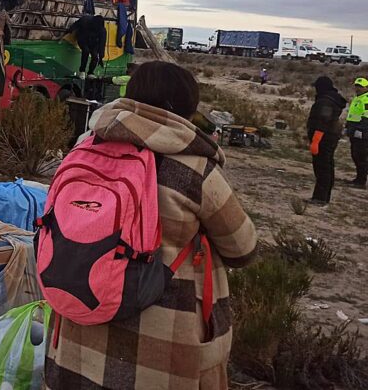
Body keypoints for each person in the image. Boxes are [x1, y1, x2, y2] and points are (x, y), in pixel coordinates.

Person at [45, 61, 257, 389]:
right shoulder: (194, 169)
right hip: (158, 355)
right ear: (187, 107)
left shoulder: (85, 149)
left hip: (78, 336)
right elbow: (242, 249)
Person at [307, 76, 347, 205]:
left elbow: (323, 122)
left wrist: (316, 141)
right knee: (327, 166)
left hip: (324, 138)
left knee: (322, 168)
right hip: (329, 137)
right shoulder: (331, 99)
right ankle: (323, 197)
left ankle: (320, 198)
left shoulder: (325, 101)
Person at [345, 77, 368, 188]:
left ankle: (361, 181)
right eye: (356, 86)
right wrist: (347, 127)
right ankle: (359, 178)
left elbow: (366, 117)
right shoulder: (357, 98)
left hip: (362, 134)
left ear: (366, 88)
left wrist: (361, 130)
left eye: (360, 86)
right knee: (355, 155)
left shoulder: (366, 99)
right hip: (353, 131)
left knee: (360, 156)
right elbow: (352, 115)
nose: (357, 88)